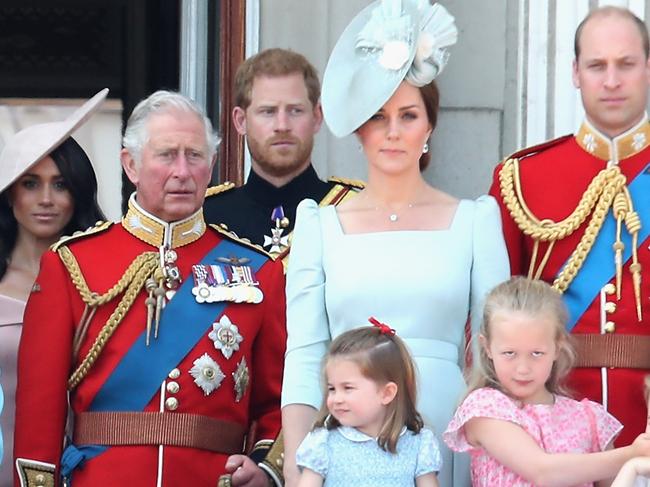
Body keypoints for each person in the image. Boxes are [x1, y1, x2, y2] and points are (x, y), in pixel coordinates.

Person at [281, 2, 509, 487]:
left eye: (408, 115)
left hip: (448, 431)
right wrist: (296, 462)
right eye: (379, 116)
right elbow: (304, 356)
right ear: (360, 127)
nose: (392, 132)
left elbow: (495, 357)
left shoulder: (474, 221)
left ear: (429, 126)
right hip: (346, 442)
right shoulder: (318, 224)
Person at [13, 90, 286, 487]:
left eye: (194, 155)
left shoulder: (259, 271)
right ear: (131, 165)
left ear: (211, 166)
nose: (182, 171)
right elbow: (39, 415)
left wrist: (264, 471)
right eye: (166, 154)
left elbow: (276, 403)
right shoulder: (71, 264)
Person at [489, 6, 650, 447]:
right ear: (576, 72)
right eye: (597, 66)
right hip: (547, 417)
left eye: (626, 64)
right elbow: (489, 309)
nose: (612, 80)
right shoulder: (522, 178)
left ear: (648, 67)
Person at [444, 277, 650, 486]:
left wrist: (636, 464)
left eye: (536, 353)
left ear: (557, 347)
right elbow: (542, 472)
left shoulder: (590, 419)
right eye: (509, 353)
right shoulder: (484, 407)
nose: (523, 368)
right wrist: (630, 455)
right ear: (487, 347)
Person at [0, 89, 107, 487]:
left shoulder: (108, 285)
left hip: (91, 472)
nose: (46, 199)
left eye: (60, 184)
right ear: (10, 192)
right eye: (31, 183)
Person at [203, 48, 362, 267]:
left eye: (295, 111)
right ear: (240, 121)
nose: (282, 126)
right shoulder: (207, 218)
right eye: (268, 111)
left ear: (317, 117)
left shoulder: (354, 212)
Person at [296, 321, 442, 487]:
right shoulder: (323, 444)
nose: (337, 398)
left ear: (386, 393)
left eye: (347, 388)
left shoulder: (418, 445)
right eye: (332, 389)